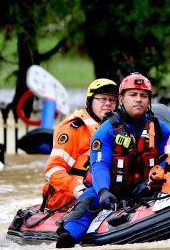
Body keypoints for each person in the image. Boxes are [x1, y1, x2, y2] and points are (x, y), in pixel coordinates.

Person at [56, 72, 170, 248]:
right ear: (122, 99)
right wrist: (103, 191)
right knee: (89, 199)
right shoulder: (107, 130)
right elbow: (100, 164)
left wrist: (150, 182)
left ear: (149, 100)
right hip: (112, 190)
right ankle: (68, 236)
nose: (138, 99)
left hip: (147, 189)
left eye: (143, 96)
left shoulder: (160, 129)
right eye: (133, 94)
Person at [41, 79, 118, 211]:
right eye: (102, 99)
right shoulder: (73, 128)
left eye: (112, 99)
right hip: (70, 200)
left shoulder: (118, 128)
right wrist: (79, 191)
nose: (108, 103)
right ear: (90, 101)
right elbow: (53, 170)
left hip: (105, 194)